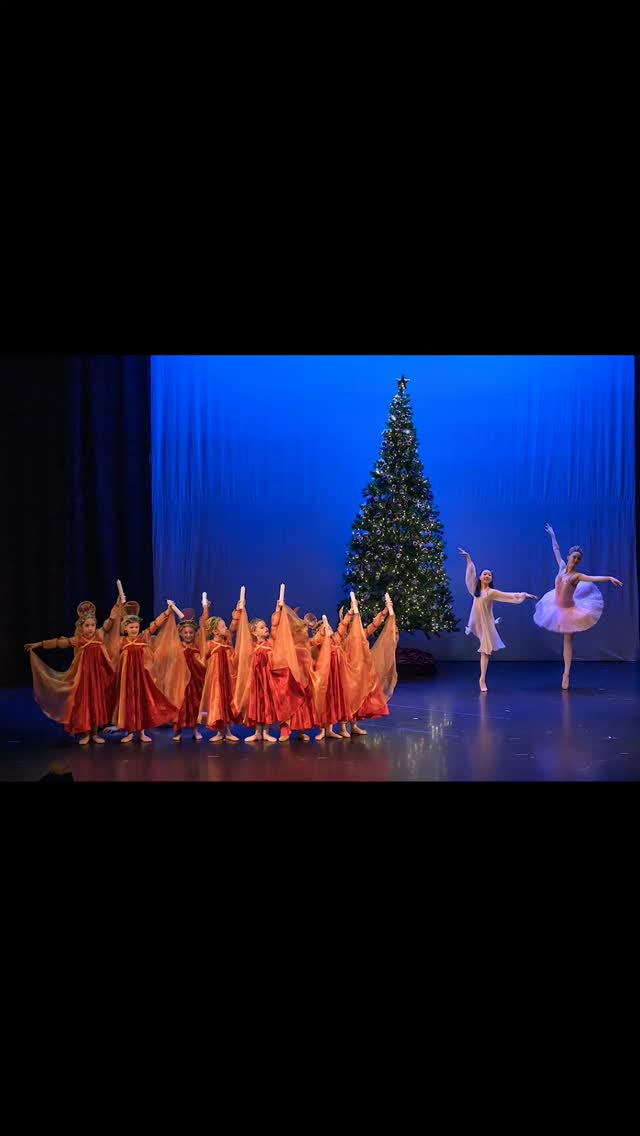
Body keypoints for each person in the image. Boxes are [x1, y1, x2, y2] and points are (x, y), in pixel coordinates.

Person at [24, 596, 124, 745]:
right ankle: (86, 733)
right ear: (81, 627)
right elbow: (59, 642)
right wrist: (39, 644)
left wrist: (117, 605)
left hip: (97, 678)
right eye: (87, 625)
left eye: (92, 625)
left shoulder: (99, 635)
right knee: (85, 705)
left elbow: (110, 622)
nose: (90, 628)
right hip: (83, 677)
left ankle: (95, 734)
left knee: (96, 704)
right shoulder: (79, 640)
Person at [534, 523, 623, 688]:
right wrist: (553, 535)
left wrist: (609, 577)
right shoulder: (561, 566)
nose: (575, 559)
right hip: (555, 604)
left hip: (570, 610)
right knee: (565, 640)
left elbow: (593, 578)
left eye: (578, 558)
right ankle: (566, 672)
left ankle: (566, 673)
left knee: (568, 640)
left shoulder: (577, 576)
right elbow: (556, 550)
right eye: (573, 556)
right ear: (568, 557)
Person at [458, 548, 537, 692]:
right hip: (477, 622)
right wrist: (468, 558)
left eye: (489, 574)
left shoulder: (492, 592)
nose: (487, 575)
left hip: (487, 624)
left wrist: (523, 594)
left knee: (486, 651)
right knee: (485, 650)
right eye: (485, 573)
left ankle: (482, 678)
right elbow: (470, 575)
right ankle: (482, 678)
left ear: (491, 579)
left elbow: (508, 596)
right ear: (481, 577)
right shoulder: (475, 592)